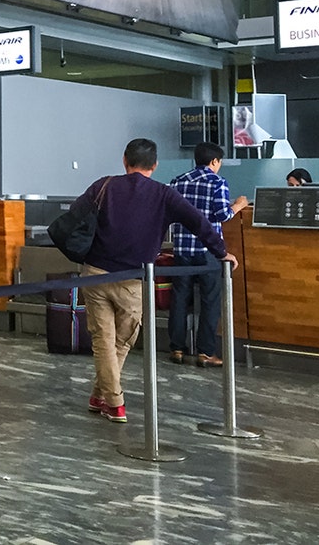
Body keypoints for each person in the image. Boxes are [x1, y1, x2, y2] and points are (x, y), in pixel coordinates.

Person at [72, 138, 236, 424]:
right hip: (134, 278)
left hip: (95, 272)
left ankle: (100, 394)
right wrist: (221, 252)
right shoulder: (164, 194)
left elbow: (74, 216)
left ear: (125, 160)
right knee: (121, 340)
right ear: (155, 165)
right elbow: (199, 222)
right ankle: (116, 403)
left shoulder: (104, 185)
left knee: (104, 340)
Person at [168, 143, 248, 368]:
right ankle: (205, 352)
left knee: (180, 299)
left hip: (182, 249)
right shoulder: (217, 182)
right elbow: (223, 215)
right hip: (207, 252)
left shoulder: (178, 181)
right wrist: (240, 205)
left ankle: (176, 349)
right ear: (214, 161)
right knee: (210, 301)